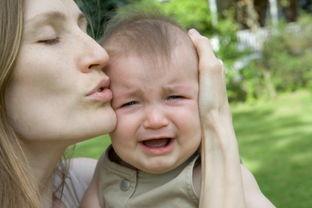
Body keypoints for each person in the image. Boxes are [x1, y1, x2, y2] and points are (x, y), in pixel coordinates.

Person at [81, 13, 275, 208]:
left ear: (203, 99)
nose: (155, 120)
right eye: (130, 103)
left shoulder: (217, 175)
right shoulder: (107, 170)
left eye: (174, 97)